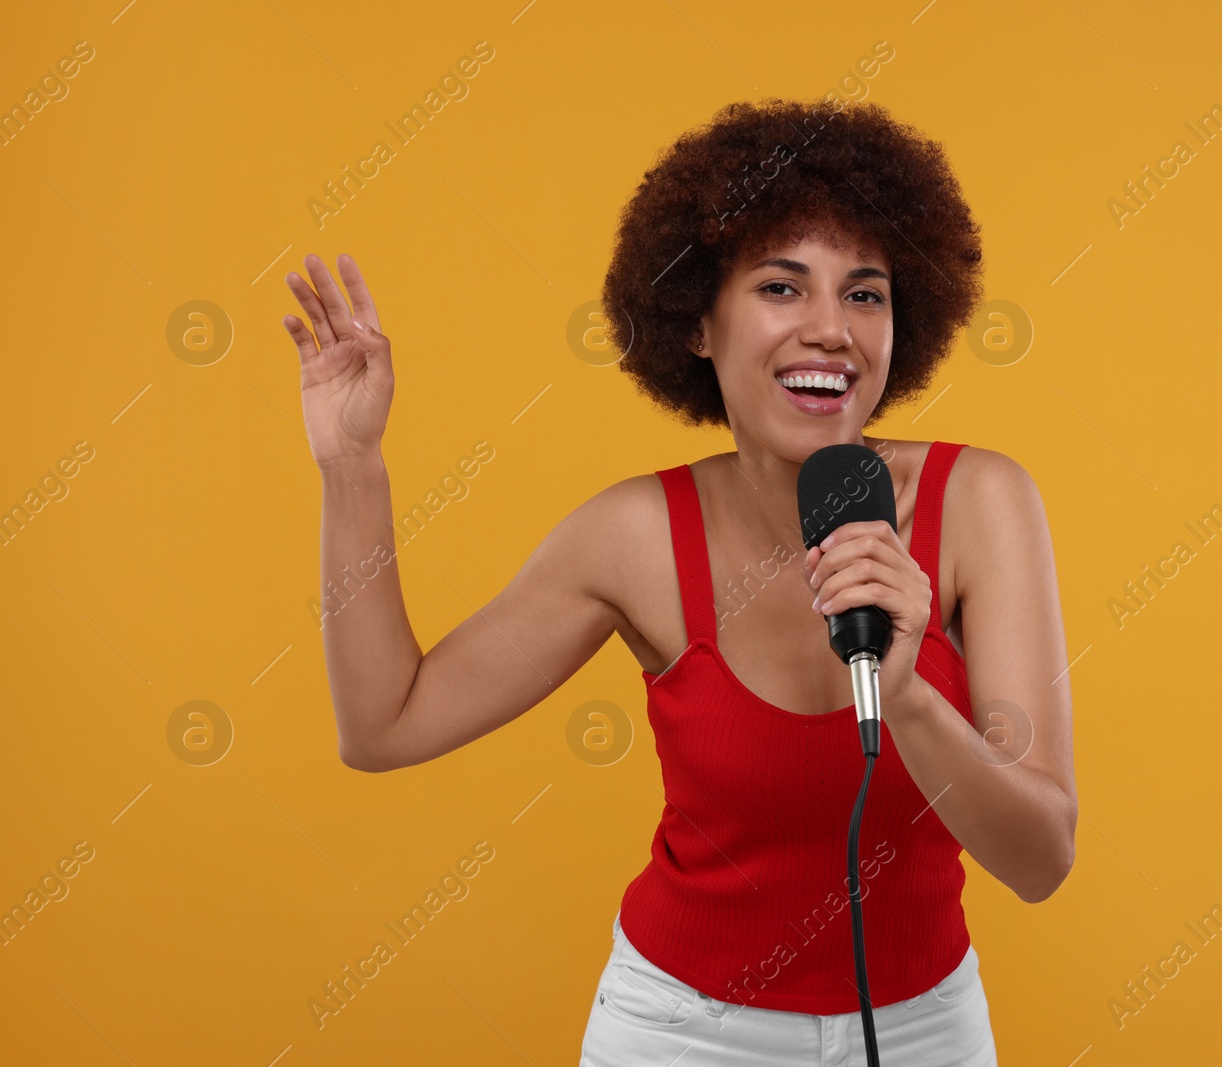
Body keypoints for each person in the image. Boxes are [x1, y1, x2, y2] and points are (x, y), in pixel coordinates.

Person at [281, 97, 1077, 1065]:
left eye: (864, 294)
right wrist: (352, 467)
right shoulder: (634, 536)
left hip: (922, 1029)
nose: (831, 328)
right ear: (698, 321)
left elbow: (1040, 858)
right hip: (681, 1031)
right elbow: (384, 722)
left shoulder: (980, 504)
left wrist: (905, 692)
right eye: (782, 288)